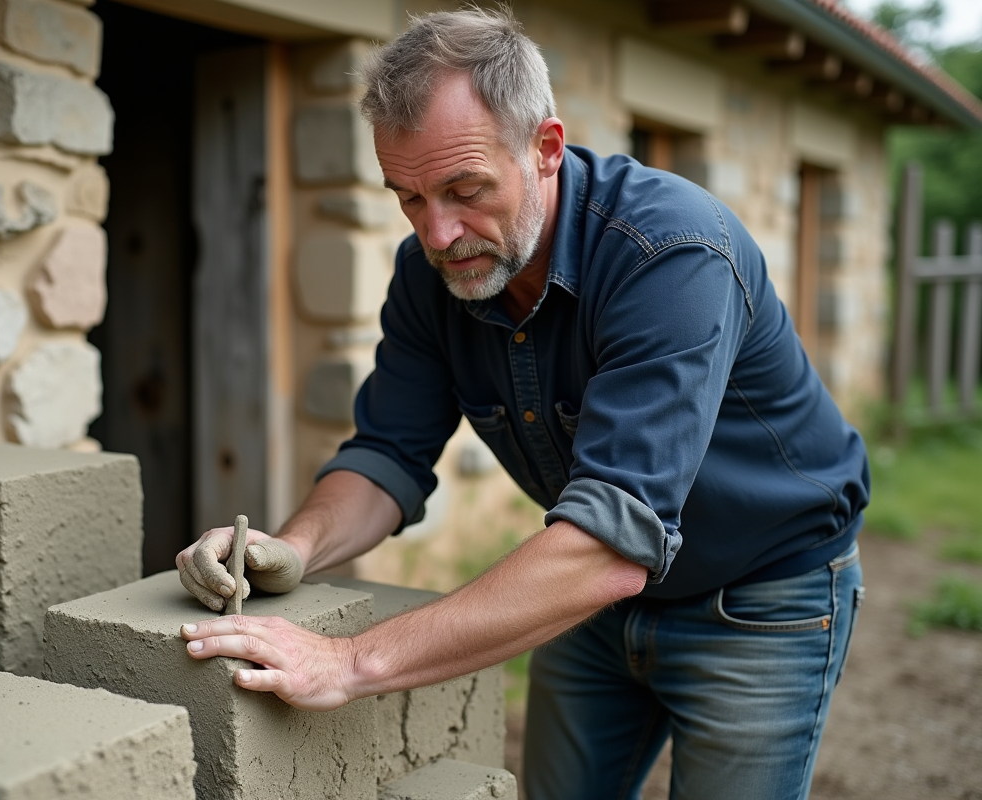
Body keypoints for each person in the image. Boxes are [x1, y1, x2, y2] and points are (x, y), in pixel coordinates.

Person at [176, 7, 869, 799]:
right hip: (594, 600)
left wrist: (349, 661)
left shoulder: (671, 254)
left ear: (545, 148)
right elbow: (386, 456)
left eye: (464, 189)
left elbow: (610, 546)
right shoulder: (431, 273)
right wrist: (294, 548)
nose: (437, 235)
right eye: (408, 198)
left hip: (761, 596)